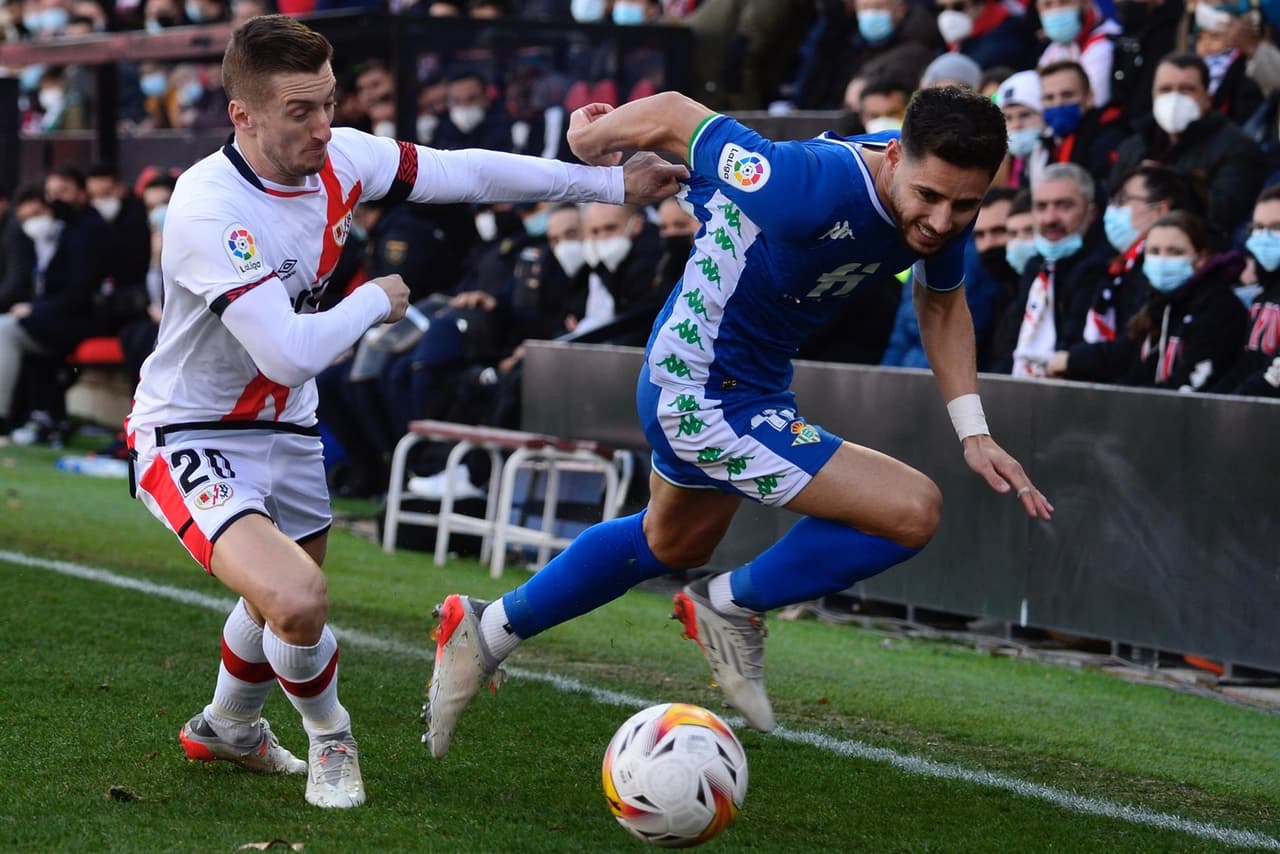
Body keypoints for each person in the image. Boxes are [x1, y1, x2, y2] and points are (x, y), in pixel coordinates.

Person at [124, 14, 683, 810]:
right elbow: (285, 350)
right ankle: (332, 737)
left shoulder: (341, 154)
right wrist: (371, 302)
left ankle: (228, 724)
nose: (324, 126)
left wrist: (607, 186)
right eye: (299, 111)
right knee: (298, 599)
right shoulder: (208, 209)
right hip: (191, 427)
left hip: (286, 424)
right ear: (241, 116)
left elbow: (468, 172)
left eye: (329, 102)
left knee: (276, 596)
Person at [423, 86, 1054, 760]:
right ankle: (731, 604)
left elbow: (942, 302)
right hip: (700, 386)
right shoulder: (806, 184)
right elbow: (671, 111)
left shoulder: (936, 206)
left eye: (965, 204)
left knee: (670, 543)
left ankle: (484, 632)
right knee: (912, 510)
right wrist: (588, 149)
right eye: (929, 196)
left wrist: (974, 431)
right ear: (894, 155)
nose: (941, 220)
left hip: (749, 383)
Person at [1118, 210, 1248, 389]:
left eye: (1175, 252)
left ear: (1201, 259)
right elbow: (1134, 372)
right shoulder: (1156, 305)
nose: (1162, 260)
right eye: (1154, 251)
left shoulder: (1219, 308)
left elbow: (1193, 383)